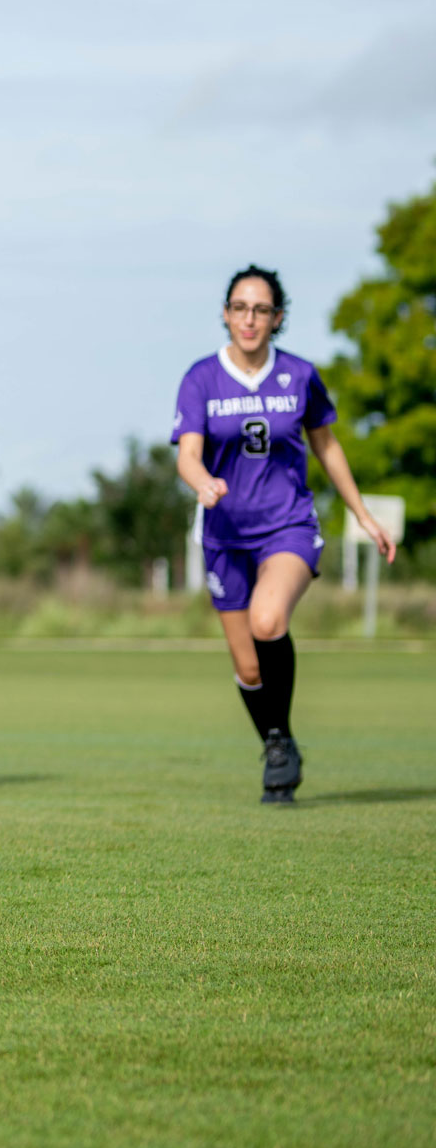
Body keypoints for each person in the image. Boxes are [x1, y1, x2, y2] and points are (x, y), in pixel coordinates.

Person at [173, 265, 392, 803]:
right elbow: (188, 455)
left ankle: (277, 744)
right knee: (247, 666)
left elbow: (327, 445)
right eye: (241, 308)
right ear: (226, 314)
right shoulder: (201, 378)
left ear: (278, 318)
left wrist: (361, 512)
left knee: (268, 621)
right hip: (224, 534)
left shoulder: (299, 375)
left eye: (262, 309)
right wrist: (203, 483)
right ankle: (279, 741)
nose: (250, 319)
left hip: (287, 524)